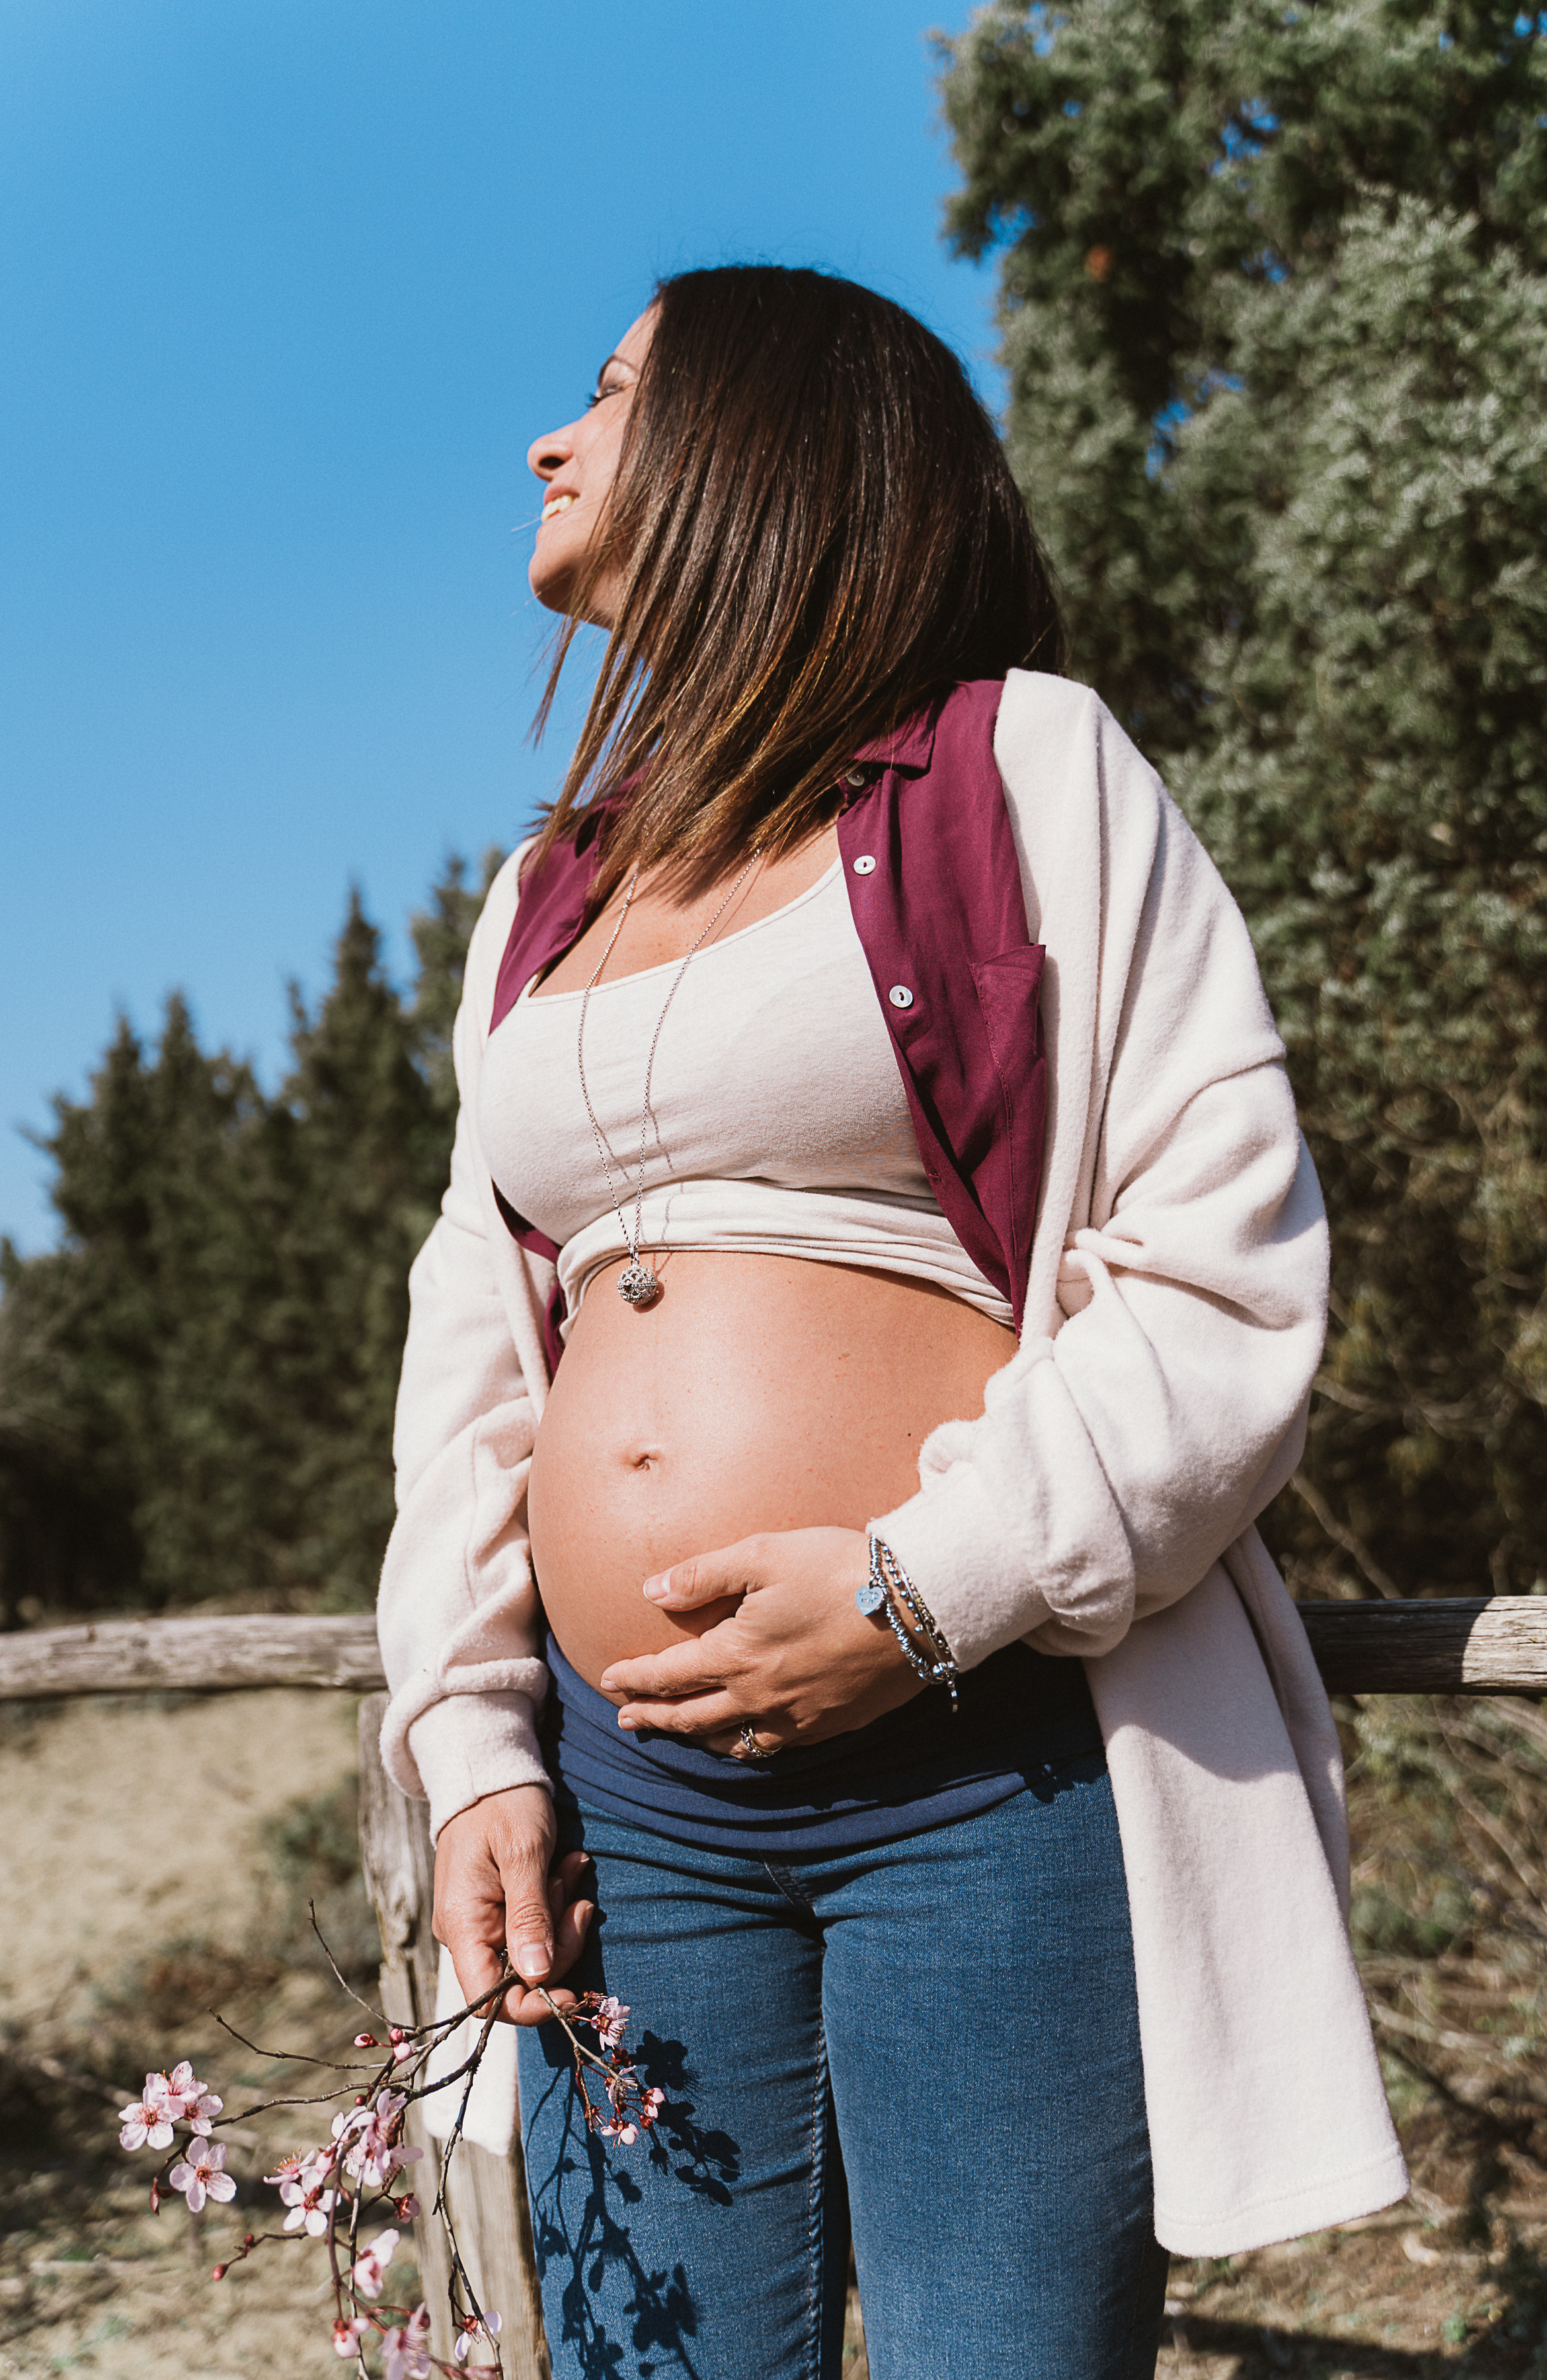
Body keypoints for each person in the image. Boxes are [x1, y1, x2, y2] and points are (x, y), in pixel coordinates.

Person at [377, 265, 1406, 2380]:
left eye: (613, 394)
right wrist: (472, 1741)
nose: (554, 446)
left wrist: (924, 1588)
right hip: (631, 1798)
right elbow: (478, 1350)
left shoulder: (1024, 766)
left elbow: (1221, 1263)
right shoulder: (540, 897)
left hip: (980, 1765)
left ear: (772, 446)